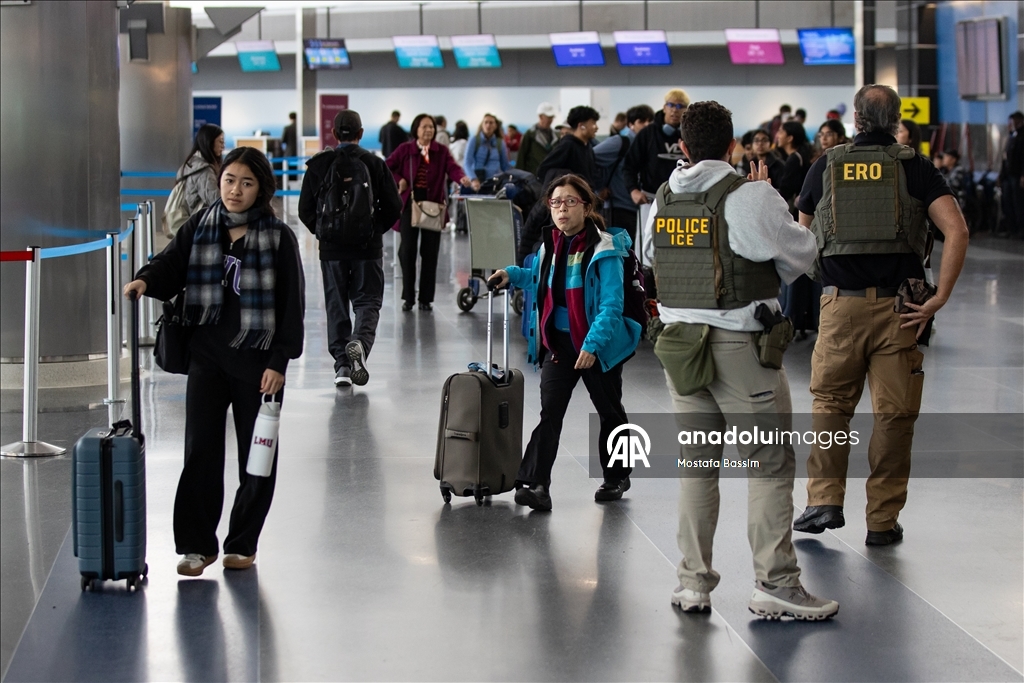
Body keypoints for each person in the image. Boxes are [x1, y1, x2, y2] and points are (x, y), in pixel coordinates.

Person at [642, 100, 838, 620]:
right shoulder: (749, 197)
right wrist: (768, 196)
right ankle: (776, 584)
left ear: (681, 147)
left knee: (697, 468)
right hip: (741, 350)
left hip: (679, 351)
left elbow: (650, 260)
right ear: (732, 146)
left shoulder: (662, 200)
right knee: (769, 465)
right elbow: (802, 255)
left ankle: (691, 583)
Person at [793, 84, 969, 546]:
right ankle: (881, 521)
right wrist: (939, 298)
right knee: (894, 415)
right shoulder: (916, 168)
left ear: (855, 118)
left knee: (830, 406)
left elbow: (800, 239)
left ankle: (823, 500)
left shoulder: (826, 165)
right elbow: (957, 230)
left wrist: (823, 280)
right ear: (896, 121)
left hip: (839, 305)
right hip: (902, 309)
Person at [123, 147, 305, 577]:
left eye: (246, 182)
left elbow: (291, 304)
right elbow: (171, 265)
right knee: (200, 452)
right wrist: (145, 280)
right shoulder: (201, 225)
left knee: (256, 459)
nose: (235, 190)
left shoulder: (279, 237)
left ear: (261, 188)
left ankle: (242, 542)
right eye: (228, 180)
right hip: (207, 357)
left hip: (257, 364)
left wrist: (280, 361)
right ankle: (196, 545)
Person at [488, 174, 641, 511]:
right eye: (555, 203)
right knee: (550, 413)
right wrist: (511, 275)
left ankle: (617, 476)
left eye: (570, 202)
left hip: (597, 347)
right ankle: (537, 484)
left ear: (586, 206)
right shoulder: (551, 244)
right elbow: (539, 278)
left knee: (610, 412)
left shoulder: (605, 248)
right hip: (559, 345)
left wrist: (592, 345)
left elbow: (611, 305)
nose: (561, 210)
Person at [298, 110, 403, 388]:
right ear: (361, 133)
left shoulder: (320, 165)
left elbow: (304, 210)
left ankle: (342, 367)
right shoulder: (374, 164)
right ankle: (359, 344)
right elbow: (394, 207)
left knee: (336, 305)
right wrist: (372, 230)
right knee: (368, 302)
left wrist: (325, 233)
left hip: (331, 251)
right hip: (367, 249)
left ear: (334, 134)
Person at [386, 113, 473, 311]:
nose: (429, 130)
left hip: (433, 207)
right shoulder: (405, 149)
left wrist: (461, 178)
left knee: (430, 252)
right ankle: (408, 297)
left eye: (431, 127)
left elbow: (453, 168)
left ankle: (425, 298)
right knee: (407, 251)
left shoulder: (441, 151)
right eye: (424, 127)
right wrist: (400, 179)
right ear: (416, 129)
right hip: (411, 204)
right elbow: (387, 167)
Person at [593, 104, 654, 241]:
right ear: (631, 124)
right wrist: (598, 188)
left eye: (650, 121)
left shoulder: (648, 145)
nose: (647, 125)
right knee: (619, 255)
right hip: (618, 208)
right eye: (641, 121)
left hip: (641, 209)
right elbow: (589, 158)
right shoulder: (621, 142)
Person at [623, 89, 689, 206]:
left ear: (686, 110)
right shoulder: (647, 134)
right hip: (651, 199)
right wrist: (633, 190)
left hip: (684, 198)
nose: (674, 110)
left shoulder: (690, 135)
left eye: (680, 106)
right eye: (671, 105)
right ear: (664, 107)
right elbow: (629, 165)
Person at [536, 105, 600, 189]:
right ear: (581, 126)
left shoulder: (587, 147)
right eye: (593, 123)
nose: (596, 128)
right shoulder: (568, 145)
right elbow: (543, 170)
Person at [177, 124, 225, 219]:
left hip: (192, 220)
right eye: (220, 142)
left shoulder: (192, 163)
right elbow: (216, 201)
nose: (223, 146)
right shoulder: (203, 171)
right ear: (209, 142)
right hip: (201, 223)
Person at [997, 111, 1024, 238]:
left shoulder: (1022, 137)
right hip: (1008, 176)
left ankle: (1020, 229)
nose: (1009, 125)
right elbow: (1005, 158)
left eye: (1012, 123)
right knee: (1008, 202)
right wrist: (1001, 176)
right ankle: (1011, 227)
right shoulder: (1011, 137)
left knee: (1018, 203)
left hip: (1017, 175)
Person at [463, 113, 511, 182]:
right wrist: (473, 179)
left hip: (495, 181)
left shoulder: (500, 143)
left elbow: (505, 165)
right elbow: (467, 163)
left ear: (495, 126)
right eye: (486, 122)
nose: (488, 125)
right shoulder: (474, 140)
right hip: (478, 180)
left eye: (491, 123)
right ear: (482, 125)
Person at [518, 102, 558, 176]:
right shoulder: (530, 134)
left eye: (552, 117)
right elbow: (521, 157)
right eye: (548, 117)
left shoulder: (556, 136)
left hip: (550, 175)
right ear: (540, 117)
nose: (550, 120)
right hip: (533, 175)